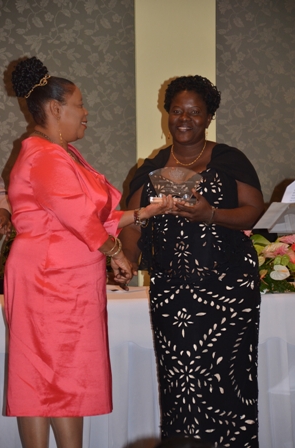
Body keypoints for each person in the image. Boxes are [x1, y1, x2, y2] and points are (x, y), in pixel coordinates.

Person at [4, 56, 173, 448]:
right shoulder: (43, 154)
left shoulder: (60, 154)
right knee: (43, 375)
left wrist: (143, 213)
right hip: (48, 278)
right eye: (80, 104)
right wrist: (117, 253)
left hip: (65, 278)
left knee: (65, 375)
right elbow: (80, 220)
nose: (85, 113)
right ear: (55, 108)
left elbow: (94, 218)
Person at [120, 75, 265, 448]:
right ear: (167, 114)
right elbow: (133, 225)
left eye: (194, 112)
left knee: (230, 384)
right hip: (173, 297)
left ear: (208, 117)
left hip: (229, 293)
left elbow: (252, 213)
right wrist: (127, 260)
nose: (184, 119)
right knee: (179, 387)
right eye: (177, 111)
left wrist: (211, 215)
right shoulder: (149, 167)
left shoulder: (229, 159)